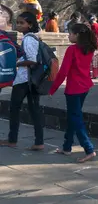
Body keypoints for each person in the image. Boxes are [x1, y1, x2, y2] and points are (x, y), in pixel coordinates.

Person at [49, 23, 97, 163]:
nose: (68, 36)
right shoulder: (89, 49)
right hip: (84, 86)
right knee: (73, 116)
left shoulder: (72, 49)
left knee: (75, 118)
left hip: (74, 88)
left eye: (70, 33)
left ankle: (89, 149)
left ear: (77, 35)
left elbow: (63, 72)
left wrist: (53, 88)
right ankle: (67, 146)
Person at [0, 12, 44, 150]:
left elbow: (32, 60)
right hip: (32, 79)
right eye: (17, 22)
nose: (18, 25)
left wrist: (15, 63)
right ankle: (39, 142)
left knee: (14, 109)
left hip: (24, 80)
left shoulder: (28, 39)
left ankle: (12, 140)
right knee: (34, 110)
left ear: (30, 24)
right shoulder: (33, 38)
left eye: (22, 23)